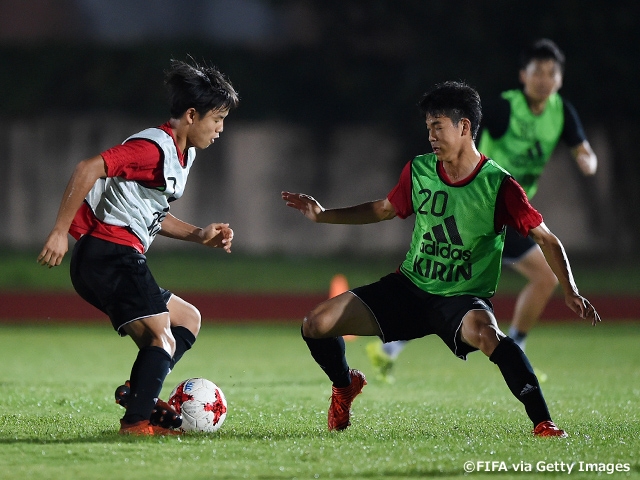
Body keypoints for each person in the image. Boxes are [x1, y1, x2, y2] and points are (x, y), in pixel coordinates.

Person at [282, 81, 600, 437]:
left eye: (438, 126)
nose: (431, 136)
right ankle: (344, 386)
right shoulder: (419, 170)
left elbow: (547, 239)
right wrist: (324, 215)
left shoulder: (499, 185)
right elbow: (385, 209)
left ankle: (543, 422)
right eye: (428, 127)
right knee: (315, 324)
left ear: (464, 126)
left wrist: (570, 290)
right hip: (410, 288)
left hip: (461, 300)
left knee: (488, 335)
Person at [370, 39, 598, 378]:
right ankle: (513, 348)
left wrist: (587, 159)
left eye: (552, 73)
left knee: (461, 283)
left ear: (560, 80)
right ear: (523, 76)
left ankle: (391, 346)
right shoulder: (506, 108)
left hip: (510, 211)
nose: (544, 79)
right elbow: (463, 123)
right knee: (527, 277)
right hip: (483, 205)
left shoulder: (561, 112)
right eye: (537, 72)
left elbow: (582, 148)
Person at [37, 58, 239, 435]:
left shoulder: (184, 154)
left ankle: (139, 395)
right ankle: (137, 422)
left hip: (118, 257)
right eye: (217, 119)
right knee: (161, 336)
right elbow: (87, 168)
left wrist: (199, 235)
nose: (220, 129)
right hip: (107, 254)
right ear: (192, 116)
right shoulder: (153, 148)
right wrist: (58, 231)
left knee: (187, 320)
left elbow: (150, 214)